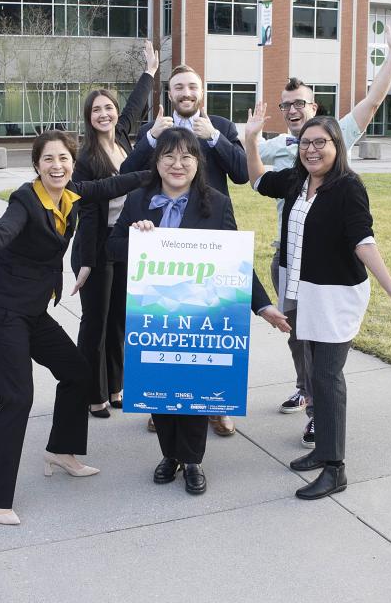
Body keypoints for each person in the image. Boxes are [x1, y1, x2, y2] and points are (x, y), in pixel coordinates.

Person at [0, 130, 148, 525]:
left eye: (64, 158)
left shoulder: (71, 193)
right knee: (17, 399)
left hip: (33, 311)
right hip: (2, 312)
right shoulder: (25, 200)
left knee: (78, 372)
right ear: (37, 165)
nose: (57, 165)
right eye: (48, 159)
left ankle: (61, 451)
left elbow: (111, 184)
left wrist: (154, 172)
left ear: (72, 163)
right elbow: (1, 233)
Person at [244, 108, 391, 500]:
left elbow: (362, 240)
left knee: (327, 377)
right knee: (314, 373)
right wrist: (251, 138)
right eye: (306, 143)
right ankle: (322, 451)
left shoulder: (348, 187)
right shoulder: (297, 181)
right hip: (302, 291)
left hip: (334, 296)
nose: (311, 150)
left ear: (336, 146)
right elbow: (259, 180)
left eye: (320, 143)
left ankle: (335, 468)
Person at [258, 16, 391, 449]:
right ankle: (306, 389)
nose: (293, 110)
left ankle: (319, 416)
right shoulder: (273, 149)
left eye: (301, 104)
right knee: (295, 335)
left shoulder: (336, 136)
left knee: (324, 351)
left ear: (315, 108)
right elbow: (250, 173)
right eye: (286, 105)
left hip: (327, 267)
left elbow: (373, 99)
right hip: (286, 258)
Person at [107, 128, 289, 495]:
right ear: (156, 162)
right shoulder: (139, 201)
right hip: (154, 314)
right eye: (169, 157)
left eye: (186, 157)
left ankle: (192, 460)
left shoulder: (217, 203)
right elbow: (111, 248)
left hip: (199, 314)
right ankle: (169, 455)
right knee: (160, 389)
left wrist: (263, 304)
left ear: (197, 163)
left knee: (193, 389)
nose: (177, 164)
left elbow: (236, 262)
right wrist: (136, 238)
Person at [121, 62, 247, 436]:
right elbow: (127, 172)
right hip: (165, 237)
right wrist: (149, 139)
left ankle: (215, 404)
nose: (186, 93)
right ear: (169, 93)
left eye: (192, 87)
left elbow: (241, 174)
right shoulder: (154, 127)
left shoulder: (221, 125)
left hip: (212, 233)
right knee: (168, 325)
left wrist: (214, 139)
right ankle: (161, 401)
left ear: (201, 91)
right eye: (179, 88)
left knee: (211, 324)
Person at [70, 40, 158, 419]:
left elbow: (136, 104)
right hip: (96, 243)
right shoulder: (84, 156)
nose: (104, 114)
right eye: (96, 110)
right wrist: (87, 260)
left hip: (126, 241)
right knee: (96, 323)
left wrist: (150, 74)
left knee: (120, 319)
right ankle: (93, 392)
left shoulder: (123, 137)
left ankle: (117, 386)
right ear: (88, 117)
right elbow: (86, 199)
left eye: (108, 107)